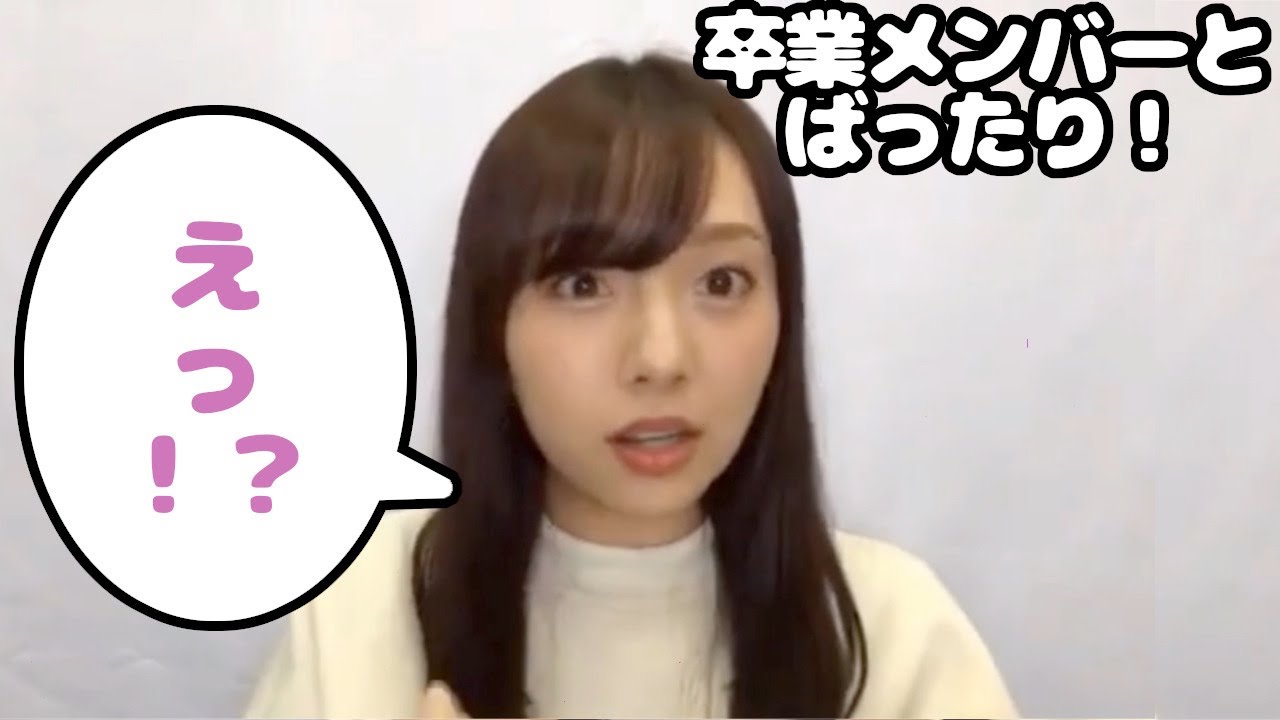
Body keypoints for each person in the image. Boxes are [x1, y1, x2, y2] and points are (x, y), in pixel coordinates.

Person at [243, 52, 1018, 719]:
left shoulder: (892, 633)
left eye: (721, 281)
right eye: (582, 284)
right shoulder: (365, 609)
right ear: (493, 325)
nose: (660, 358)